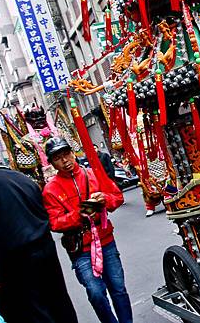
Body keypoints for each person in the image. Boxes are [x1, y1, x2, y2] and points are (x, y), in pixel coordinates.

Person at [42, 138, 133, 323]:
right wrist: (79, 215)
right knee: (96, 293)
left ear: (73, 152)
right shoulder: (50, 190)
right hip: (80, 249)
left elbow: (117, 197)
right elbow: (55, 223)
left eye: (66, 154)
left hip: (106, 241)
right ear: (52, 163)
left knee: (119, 289)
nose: (65, 160)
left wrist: (104, 199)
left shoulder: (93, 174)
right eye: (58, 158)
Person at [0, 150, 78, 323]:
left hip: (14, 258)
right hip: (44, 249)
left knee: (32, 311)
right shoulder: (22, 179)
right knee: (58, 300)